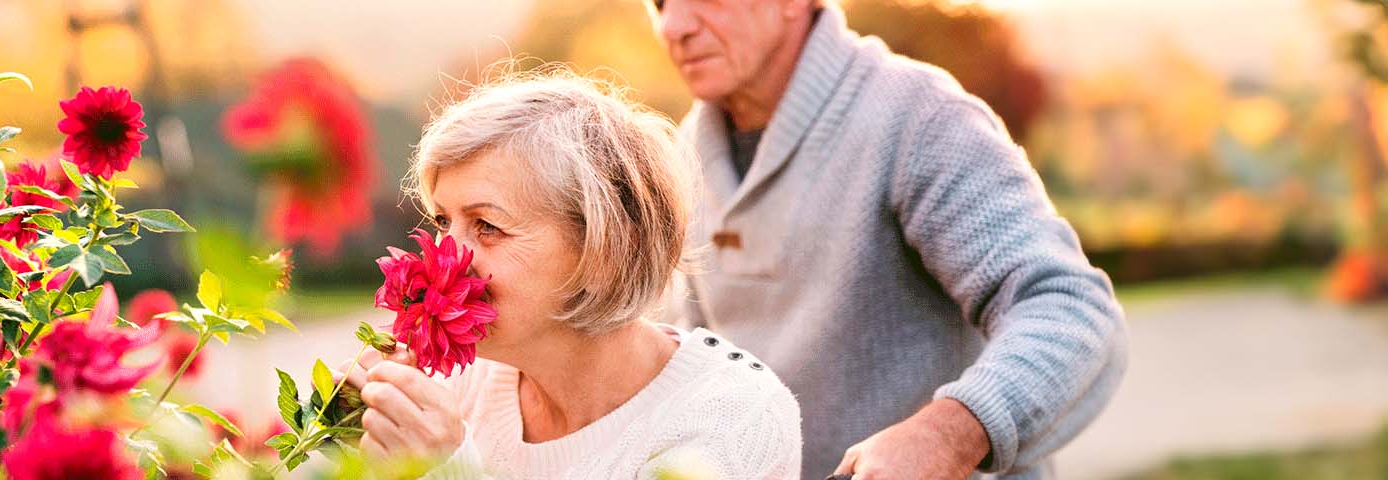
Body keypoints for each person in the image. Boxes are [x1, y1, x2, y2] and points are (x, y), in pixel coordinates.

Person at [646, 0, 1128, 478]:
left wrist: (949, 433)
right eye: (660, 2)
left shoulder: (918, 117)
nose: (674, 25)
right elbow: (695, 358)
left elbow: (1069, 306)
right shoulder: (685, 153)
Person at [342, 68, 803, 478]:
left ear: (605, 253)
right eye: (443, 222)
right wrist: (341, 441)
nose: (443, 256)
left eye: (487, 226)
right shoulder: (459, 384)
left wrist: (446, 468)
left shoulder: (730, 420)